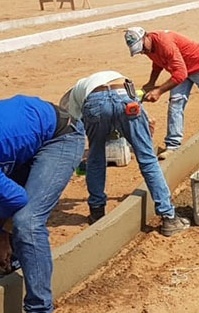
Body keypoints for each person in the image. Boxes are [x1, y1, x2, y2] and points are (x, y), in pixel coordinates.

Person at [0, 95, 85, 313]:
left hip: (60, 135)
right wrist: (2, 242)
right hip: (23, 138)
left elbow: (15, 198)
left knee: (28, 221)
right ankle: (11, 262)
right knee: (3, 200)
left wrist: (3, 223)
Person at [61, 71, 190, 236]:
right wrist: (145, 120)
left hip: (95, 103)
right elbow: (131, 98)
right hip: (125, 96)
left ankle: (97, 213)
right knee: (148, 160)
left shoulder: (77, 95)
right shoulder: (103, 77)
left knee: (95, 159)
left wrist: (79, 159)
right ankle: (169, 217)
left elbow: (76, 129)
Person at [123, 27, 199, 162]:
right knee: (175, 104)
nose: (143, 52)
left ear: (145, 37)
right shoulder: (148, 47)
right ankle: (172, 146)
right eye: (140, 51)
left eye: (142, 48)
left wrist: (159, 91)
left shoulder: (165, 43)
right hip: (180, 69)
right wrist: (151, 82)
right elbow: (158, 63)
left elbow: (180, 74)